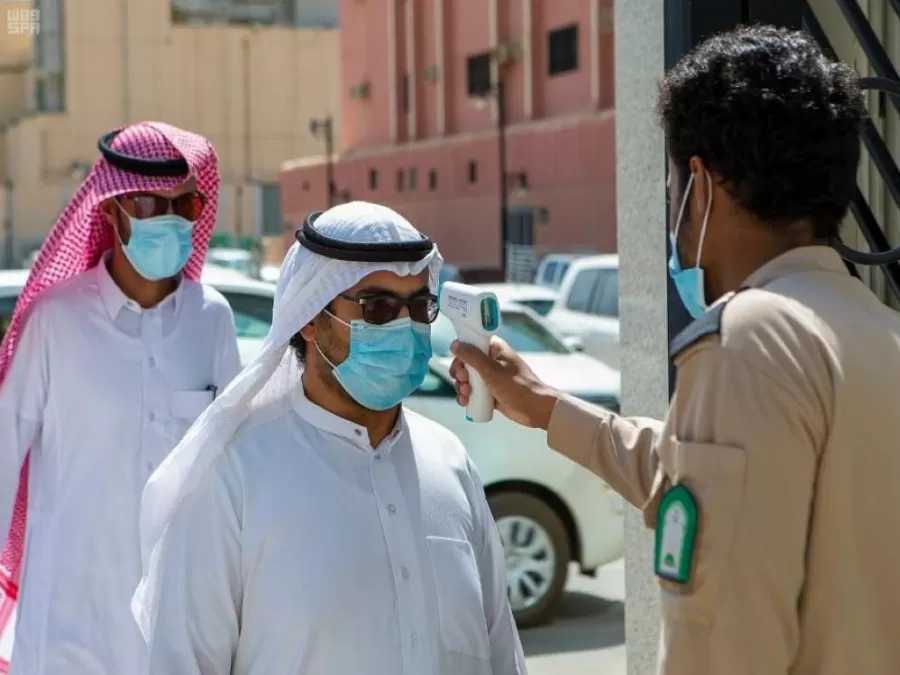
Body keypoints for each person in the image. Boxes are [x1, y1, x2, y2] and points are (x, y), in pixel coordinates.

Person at [450, 25, 900, 675]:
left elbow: (720, 643)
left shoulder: (748, 341)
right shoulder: (876, 331)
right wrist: (545, 407)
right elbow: (698, 480)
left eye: (669, 195)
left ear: (700, 185)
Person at [132, 201, 526, 675]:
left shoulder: (450, 462)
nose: (405, 326)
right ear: (310, 317)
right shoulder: (232, 477)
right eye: (378, 308)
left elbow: (502, 651)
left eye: (419, 307)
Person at [0, 122, 242, 675]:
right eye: (150, 204)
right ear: (111, 209)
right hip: (68, 632)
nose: (170, 219)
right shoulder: (56, 321)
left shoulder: (211, 320)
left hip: (177, 632)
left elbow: (233, 467)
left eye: (185, 205)